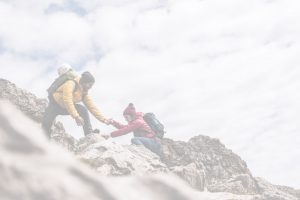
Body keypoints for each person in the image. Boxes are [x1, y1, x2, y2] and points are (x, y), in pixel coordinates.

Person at [42, 70, 109, 138]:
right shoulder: (70, 84)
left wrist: (104, 120)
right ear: (84, 82)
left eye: (91, 85)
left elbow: (92, 107)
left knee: (83, 110)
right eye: (89, 84)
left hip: (65, 107)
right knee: (46, 124)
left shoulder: (84, 93)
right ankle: (44, 140)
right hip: (54, 105)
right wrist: (76, 116)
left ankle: (89, 134)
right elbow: (67, 100)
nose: (90, 87)